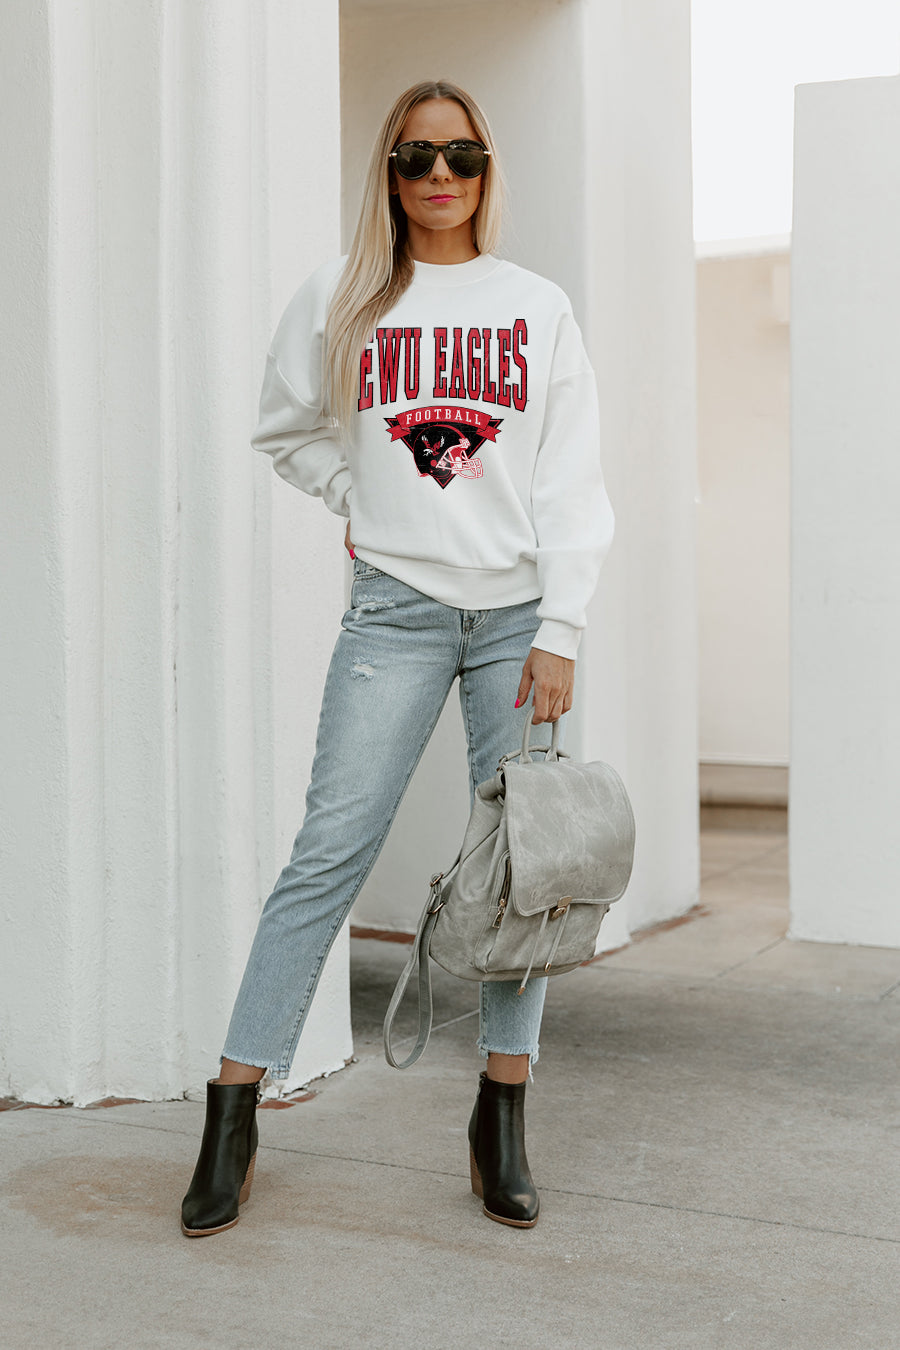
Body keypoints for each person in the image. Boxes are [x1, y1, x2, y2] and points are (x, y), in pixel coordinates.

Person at [180, 77, 615, 1238]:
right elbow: (285, 429)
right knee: (326, 852)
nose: (439, 176)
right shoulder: (344, 295)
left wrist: (563, 628)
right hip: (395, 611)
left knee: (526, 869)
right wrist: (357, 496)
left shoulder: (535, 306)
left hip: (518, 619)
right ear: (389, 171)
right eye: (417, 157)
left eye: (460, 155)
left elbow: (573, 481)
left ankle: (501, 1114)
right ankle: (234, 1108)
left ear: (486, 169)